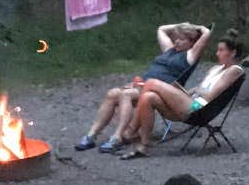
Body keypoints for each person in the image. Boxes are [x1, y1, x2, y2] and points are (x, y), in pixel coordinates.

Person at [74, 21, 212, 152]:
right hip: (141, 85)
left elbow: (206, 33)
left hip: (160, 91)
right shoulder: (169, 50)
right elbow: (161, 29)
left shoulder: (190, 55)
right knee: (112, 94)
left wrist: (194, 27)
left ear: (192, 42)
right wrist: (181, 26)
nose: (176, 41)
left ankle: (118, 136)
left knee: (125, 94)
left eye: (181, 39)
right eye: (176, 38)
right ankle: (91, 135)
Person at [115, 33, 246, 159]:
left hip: (199, 108)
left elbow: (210, 96)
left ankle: (130, 131)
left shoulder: (234, 70)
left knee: (151, 83)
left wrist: (192, 92)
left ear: (233, 52)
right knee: (149, 96)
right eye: (218, 50)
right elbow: (199, 89)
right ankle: (144, 145)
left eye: (221, 50)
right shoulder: (215, 69)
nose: (217, 53)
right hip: (191, 102)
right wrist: (183, 91)